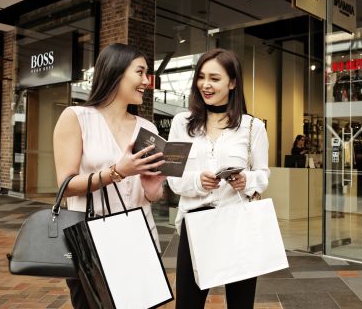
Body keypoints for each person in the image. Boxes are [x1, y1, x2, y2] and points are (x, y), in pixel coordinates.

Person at [53, 43, 166, 308]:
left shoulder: (147, 127)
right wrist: (117, 172)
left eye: (147, 73)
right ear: (116, 71)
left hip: (141, 237)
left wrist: (153, 188)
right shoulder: (76, 117)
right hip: (90, 241)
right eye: (139, 72)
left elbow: (151, 195)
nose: (146, 81)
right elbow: (66, 185)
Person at [167, 48, 269, 309]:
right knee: (188, 304)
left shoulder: (252, 127)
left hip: (238, 224)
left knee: (240, 303)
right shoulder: (181, 123)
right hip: (195, 225)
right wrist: (198, 182)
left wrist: (246, 180)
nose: (205, 84)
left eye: (214, 78)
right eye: (201, 77)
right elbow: (173, 178)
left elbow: (263, 175)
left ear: (232, 82)